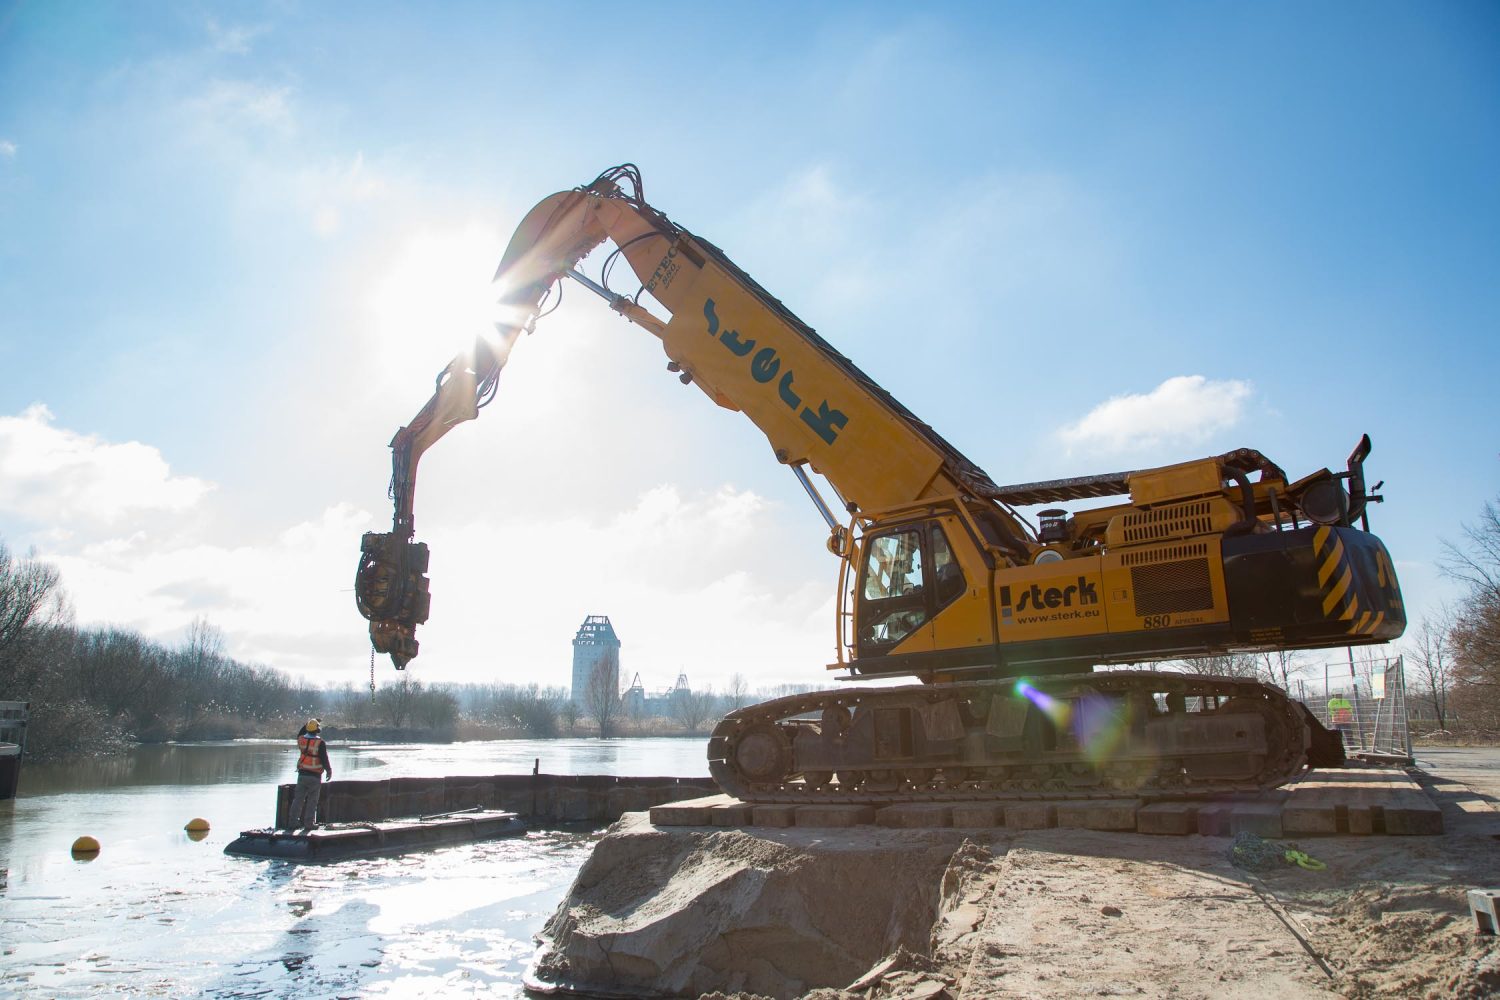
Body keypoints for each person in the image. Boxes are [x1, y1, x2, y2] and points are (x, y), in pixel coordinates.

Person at [287, 718, 332, 830]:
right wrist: (329, 770)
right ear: (317, 730)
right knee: (312, 801)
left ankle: (292, 822)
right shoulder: (320, 743)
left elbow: (300, 733)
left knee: (298, 799)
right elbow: (324, 758)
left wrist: (307, 723)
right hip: (315, 776)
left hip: (302, 775)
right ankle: (309, 824)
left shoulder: (301, 740)